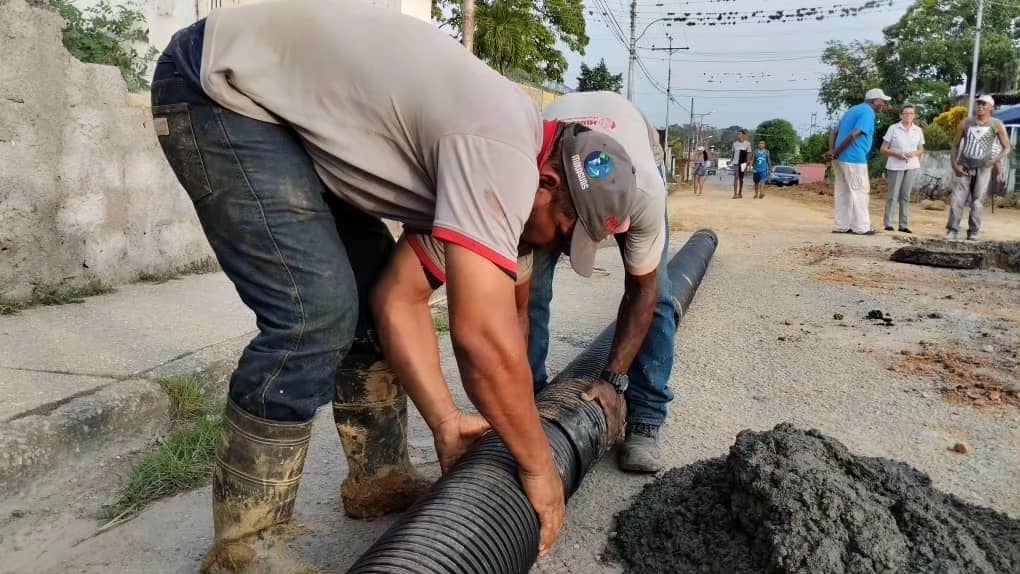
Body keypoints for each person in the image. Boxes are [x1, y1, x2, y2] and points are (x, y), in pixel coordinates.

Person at [150, 2, 633, 570]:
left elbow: (396, 299)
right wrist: (538, 467)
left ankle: (376, 477)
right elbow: (480, 338)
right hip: (220, 90)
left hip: (280, 116)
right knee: (313, 313)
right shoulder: (501, 154)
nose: (552, 245)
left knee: (367, 290)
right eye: (563, 230)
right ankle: (243, 547)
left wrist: (447, 423)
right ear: (549, 182)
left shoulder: (495, 156)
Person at [409, 91, 678, 473]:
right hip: (557, 164)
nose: (566, 248)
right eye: (569, 234)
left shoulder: (644, 195)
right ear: (544, 188)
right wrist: (511, 409)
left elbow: (643, 291)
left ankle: (646, 419)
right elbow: (513, 308)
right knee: (532, 290)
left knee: (660, 297)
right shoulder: (521, 177)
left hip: (619, 163)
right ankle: (529, 397)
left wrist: (613, 380)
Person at [826, 88, 891, 235]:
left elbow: (834, 132)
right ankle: (862, 227)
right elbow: (856, 133)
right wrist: (836, 152)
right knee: (860, 191)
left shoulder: (852, 110)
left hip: (840, 158)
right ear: (874, 101)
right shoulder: (868, 112)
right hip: (854, 158)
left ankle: (842, 225)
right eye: (882, 101)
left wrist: (833, 152)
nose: (884, 104)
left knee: (843, 191)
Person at [947, 95, 1011, 240]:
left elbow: (1006, 147)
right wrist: (954, 165)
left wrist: (995, 160)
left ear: (991, 107)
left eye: (983, 104)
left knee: (977, 202)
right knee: (957, 200)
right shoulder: (966, 122)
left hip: (984, 168)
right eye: (978, 104)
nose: (980, 107)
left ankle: (973, 231)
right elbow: (955, 145)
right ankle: (952, 230)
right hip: (964, 166)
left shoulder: (996, 124)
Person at [880, 104, 924, 233]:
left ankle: (903, 224)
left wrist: (914, 153)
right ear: (901, 115)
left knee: (905, 195)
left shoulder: (918, 130)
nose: (908, 116)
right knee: (893, 194)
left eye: (911, 113)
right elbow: (883, 148)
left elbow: (921, 149)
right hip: (895, 164)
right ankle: (888, 223)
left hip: (911, 165)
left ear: (914, 116)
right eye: (905, 113)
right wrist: (897, 154)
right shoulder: (893, 128)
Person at [731, 130, 751, 198]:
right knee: (736, 177)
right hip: (735, 162)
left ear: (743, 135)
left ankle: (740, 192)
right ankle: (735, 194)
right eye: (737, 134)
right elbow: (733, 153)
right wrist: (731, 161)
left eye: (739, 134)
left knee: (741, 178)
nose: (738, 135)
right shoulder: (734, 144)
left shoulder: (747, 144)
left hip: (743, 163)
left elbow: (749, 153)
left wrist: (748, 162)